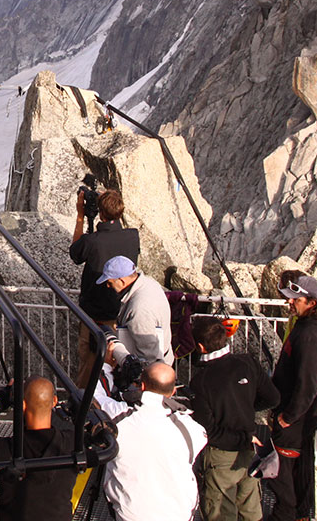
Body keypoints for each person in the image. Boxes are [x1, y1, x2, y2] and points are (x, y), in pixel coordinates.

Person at [189, 317, 280, 521]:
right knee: (251, 509)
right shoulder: (248, 362)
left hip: (222, 456)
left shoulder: (200, 382)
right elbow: (273, 398)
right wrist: (248, 406)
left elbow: (208, 430)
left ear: (200, 347)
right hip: (250, 448)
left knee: (221, 512)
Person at [103, 362, 207, 521]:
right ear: (173, 392)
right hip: (179, 514)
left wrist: (106, 364)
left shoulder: (120, 418)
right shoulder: (191, 429)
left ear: (141, 386)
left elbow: (94, 397)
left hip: (132, 515)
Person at [269, 275, 317, 521]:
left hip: (294, 419)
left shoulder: (309, 335)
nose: (290, 303)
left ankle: (288, 515)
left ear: (310, 302)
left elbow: (307, 383)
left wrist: (288, 416)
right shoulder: (310, 328)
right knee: (295, 475)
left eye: (295, 299)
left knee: (283, 479)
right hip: (298, 416)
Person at [69, 189, 139, 387]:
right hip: (121, 313)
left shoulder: (93, 241)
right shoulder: (133, 237)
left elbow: (75, 253)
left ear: (100, 212)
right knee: (118, 361)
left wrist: (81, 215)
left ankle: (83, 406)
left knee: (88, 366)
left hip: (93, 315)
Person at [0, 376, 78, 521]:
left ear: (23, 405)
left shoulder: (4, 449)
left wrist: (0, 398)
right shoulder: (72, 443)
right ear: (54, 401)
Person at [96, 255, 173, 367]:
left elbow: (148, 355)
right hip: (165, 362)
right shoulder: (150, 284)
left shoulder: (139, 309)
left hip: (152, 372)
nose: (108, 286)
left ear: (121, 281)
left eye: (110, 282)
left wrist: (139, 377)